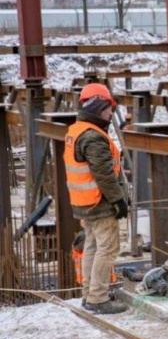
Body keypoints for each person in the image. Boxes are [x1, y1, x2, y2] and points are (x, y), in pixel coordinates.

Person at [64, 83, 128, 314]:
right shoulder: (92, 136)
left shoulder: (78, 130)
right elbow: (104, 174)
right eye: (108, 108)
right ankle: (99, 298)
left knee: (91, 246)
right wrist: (118, 200)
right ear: (97, 107)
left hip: (84, 202)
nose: (111, 113)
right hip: (99, 203)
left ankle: (89, 294)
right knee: (107, 248)